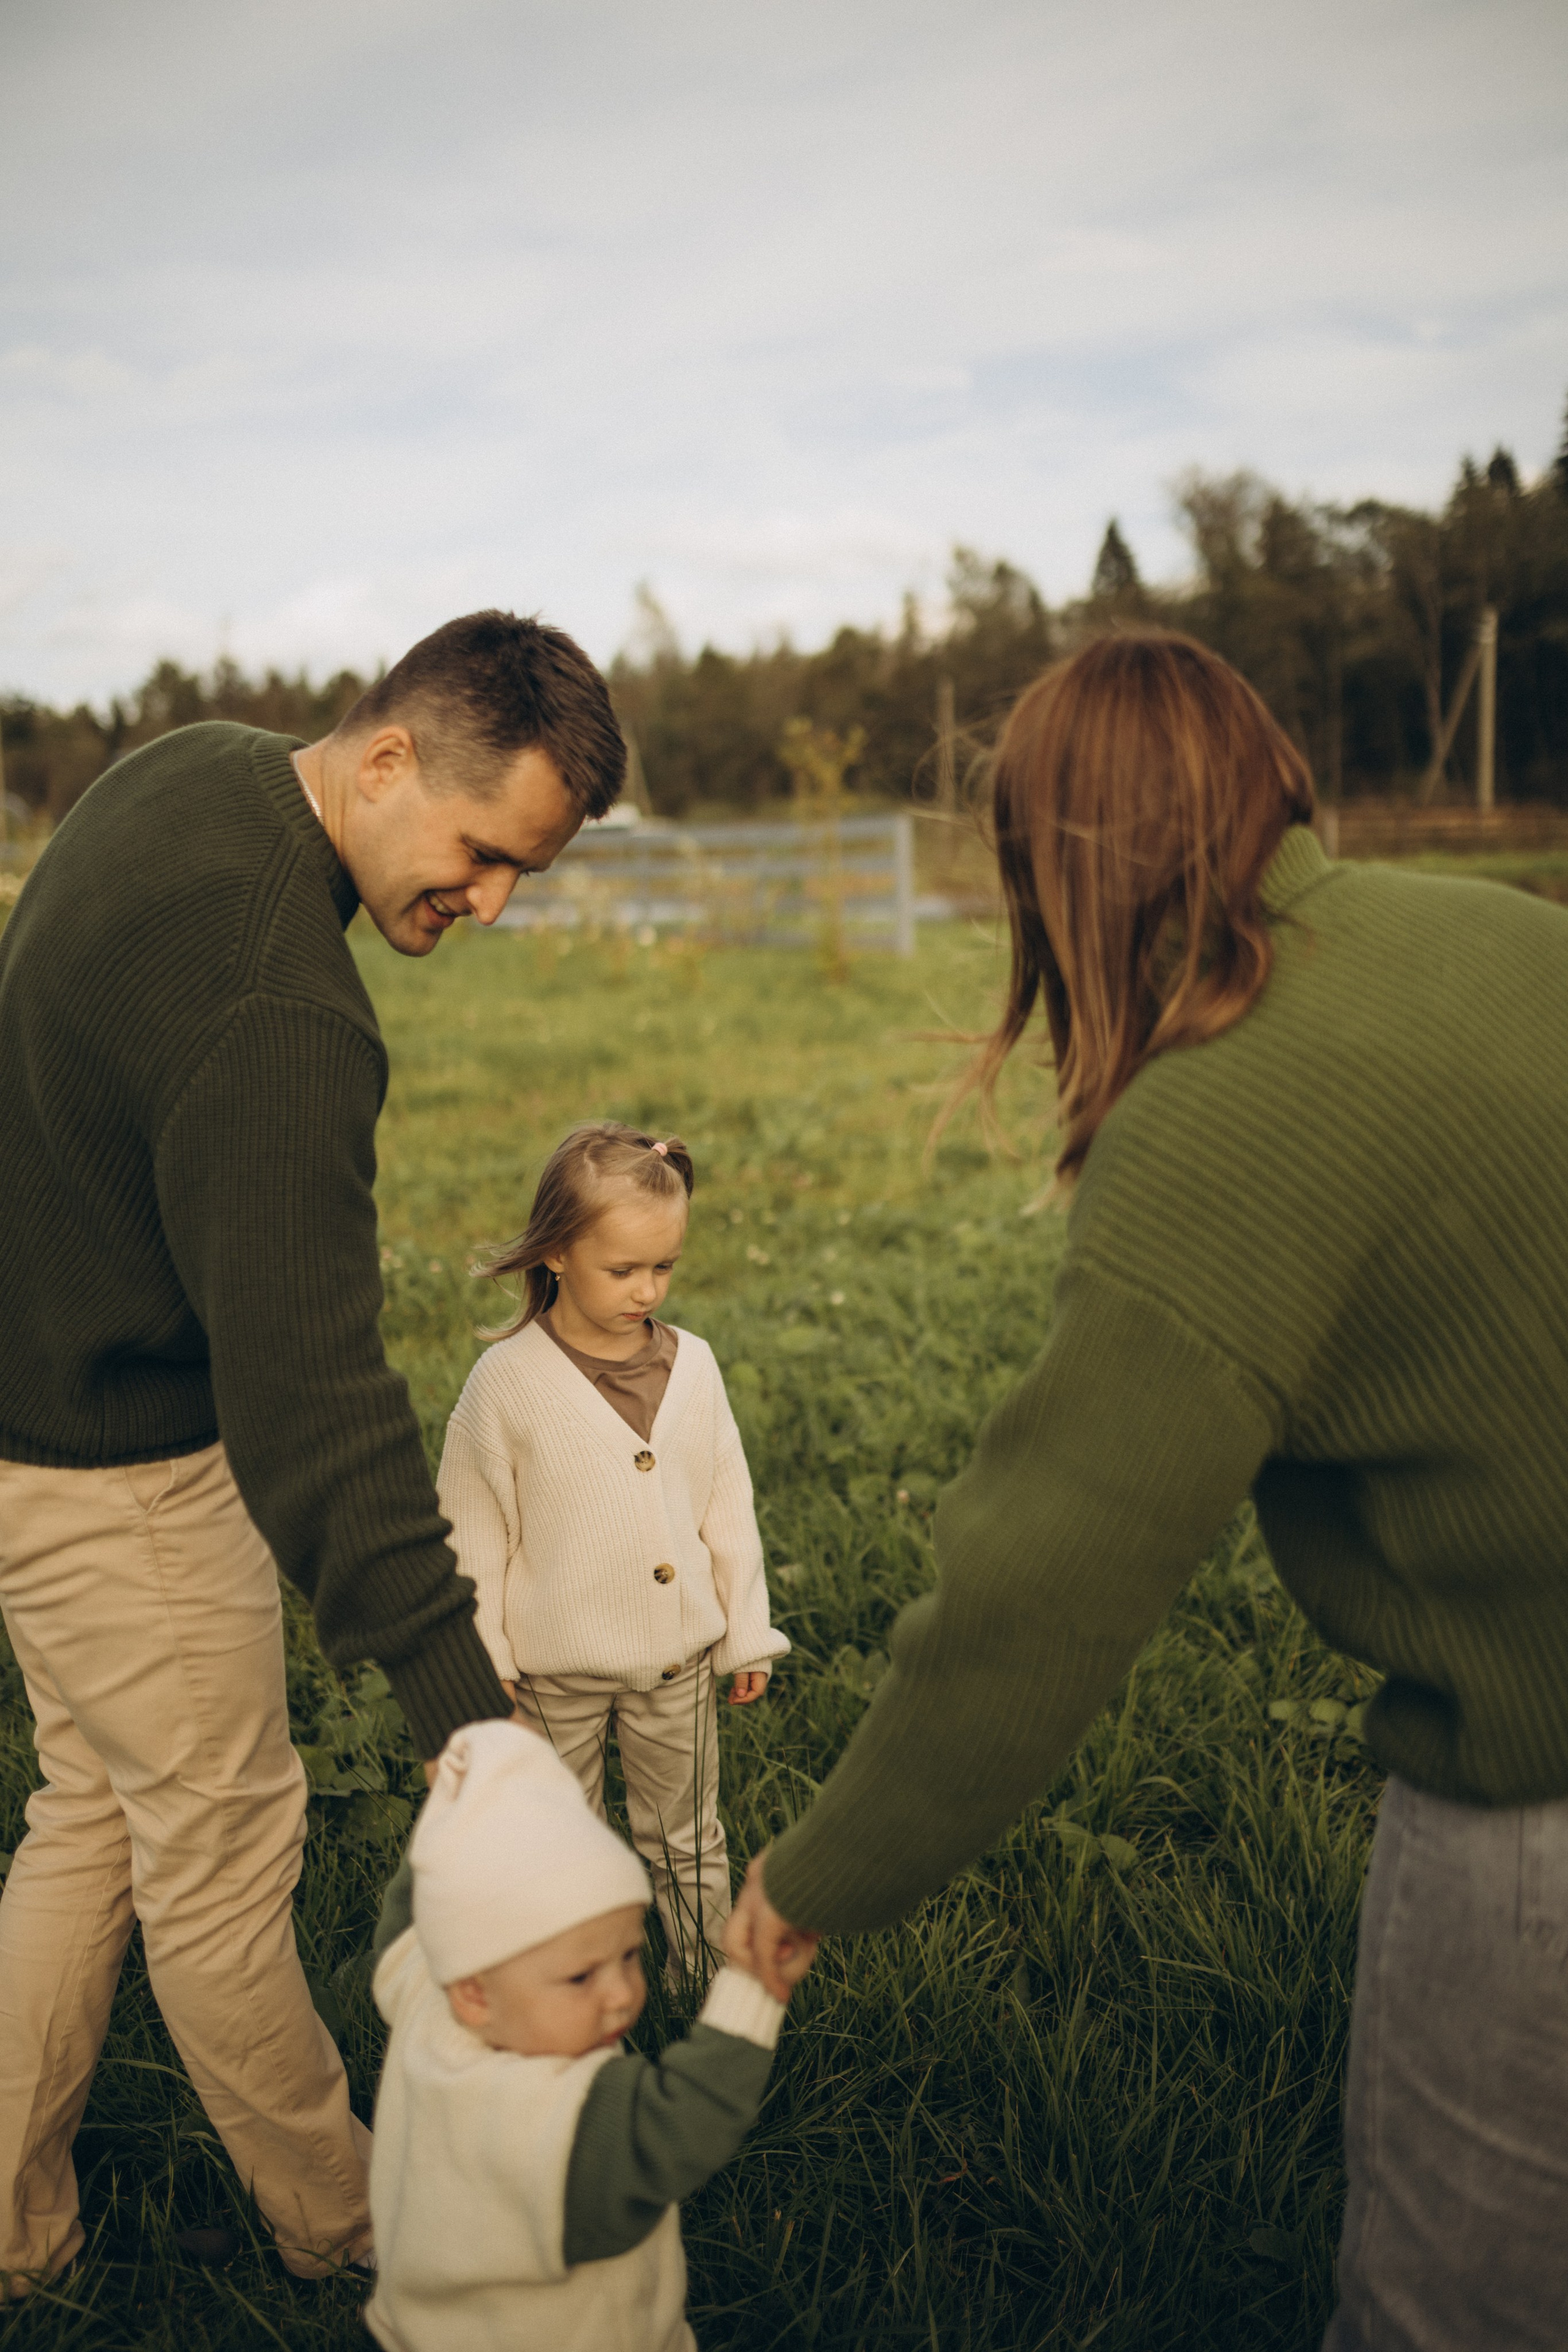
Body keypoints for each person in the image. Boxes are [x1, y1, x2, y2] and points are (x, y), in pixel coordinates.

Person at [727, 630, 1568, 2352]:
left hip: (1539, 1788)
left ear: (1056, 869)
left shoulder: (1218, 1116)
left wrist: (814, 1876)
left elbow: (1037, 1597)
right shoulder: (1504, 926)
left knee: (1451, 2315)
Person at [0, 611, 625, 2295]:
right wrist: (469, 1727)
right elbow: (316, 1407)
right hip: (121, 1474)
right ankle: (360, 2233)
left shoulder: (193, 767)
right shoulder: (285, 1007)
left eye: (527, 880)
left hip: (29, 1413)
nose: (489, 905)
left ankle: (10, 2230)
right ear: (390, 757)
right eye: (487, 854)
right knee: (212, 1863)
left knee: (95, 1814)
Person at [437, 1120, 788, 1976]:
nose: (648, 1291)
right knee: (558, 1831)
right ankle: (573, 1976)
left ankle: (699, 1974)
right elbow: (473, 1533)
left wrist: (747, 1631)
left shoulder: (694, 1368)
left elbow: (726, 1505)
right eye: (623, 1270)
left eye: (663, 1268)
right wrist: (485, 1660)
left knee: (686, 1832)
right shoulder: (507, 1383)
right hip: (554, 1672)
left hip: (678, 1663)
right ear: (555, 1253)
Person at [364, 1718, 788, 2352]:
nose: (619, 1993)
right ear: (475, 1993)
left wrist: (463, 1797)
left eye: (627, 1955)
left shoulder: (431, 1986)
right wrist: (754, 1984)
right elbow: (677, 2127)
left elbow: (411, 1914)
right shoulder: (542, 2116)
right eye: (580, 1976)